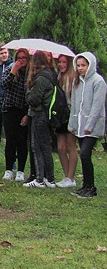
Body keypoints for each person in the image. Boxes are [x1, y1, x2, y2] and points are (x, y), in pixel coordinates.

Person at [68, 52, 106, 198]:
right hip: (79, 125)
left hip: (92, 126)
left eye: (83, 65)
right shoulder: (77, 81)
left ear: (90, 65)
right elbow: (74, 104)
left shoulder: (98, 81)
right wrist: (72, 124)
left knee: (84, 153)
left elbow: (97, 106)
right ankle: (85, 185)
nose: (80, 68)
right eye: (78, 65)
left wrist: (89, 125)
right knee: (84, 155)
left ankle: (91, 187)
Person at [24, 51, 58, 189]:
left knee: (38, 146)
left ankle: (41, 179)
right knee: (44, 146)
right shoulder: (51, 75)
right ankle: (49, 178)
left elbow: (33, 99)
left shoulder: (41, 78)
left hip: (40, 115)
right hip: (44, 114)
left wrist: (28, 89)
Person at [1, 49, 30, 182]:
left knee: (22, 141)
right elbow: (3, 85)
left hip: (23, 110)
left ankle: (21, 170)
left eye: (24, 58)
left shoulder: (30, 73)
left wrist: (27, 114)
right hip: (9, 108)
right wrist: (13, 72)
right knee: (10, 140)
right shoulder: (9, 69)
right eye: (19, 58)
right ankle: (8, 169)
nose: (21, 60)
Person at [55, 54, 79, 188]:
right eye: (59, 62)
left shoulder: (73, 78)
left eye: (64, 62)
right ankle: (66, 176)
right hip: (60, 115)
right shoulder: (59, 77)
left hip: (71, 114)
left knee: (70, 146)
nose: (61, 64)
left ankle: (71, 177)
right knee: (60, 147)